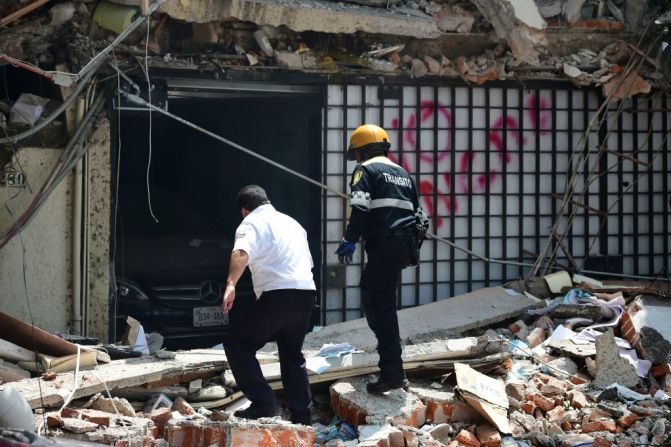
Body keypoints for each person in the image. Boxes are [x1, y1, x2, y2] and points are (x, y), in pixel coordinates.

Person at [335, 124, 429, 394]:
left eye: (355, 153)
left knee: (379, 303)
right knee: (378, 297)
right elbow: (418, 214)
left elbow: (360, 207)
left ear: (361, 151)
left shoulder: (365, 171)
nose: (355, 158)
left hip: (385, 243)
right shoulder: (403, 174)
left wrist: (349, 239)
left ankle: (392, 371)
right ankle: (391, 364)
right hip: (404, 244)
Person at [222, 185, 316, 425]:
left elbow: (241, 253)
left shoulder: (250, 223)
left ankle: (264, 403)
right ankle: (302, 417)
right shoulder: (293, 223)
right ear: (267, 201)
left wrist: (231, 284)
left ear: (244, 210)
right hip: (305, 292)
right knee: (292, 353)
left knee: (238, 343)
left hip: (278, 294)